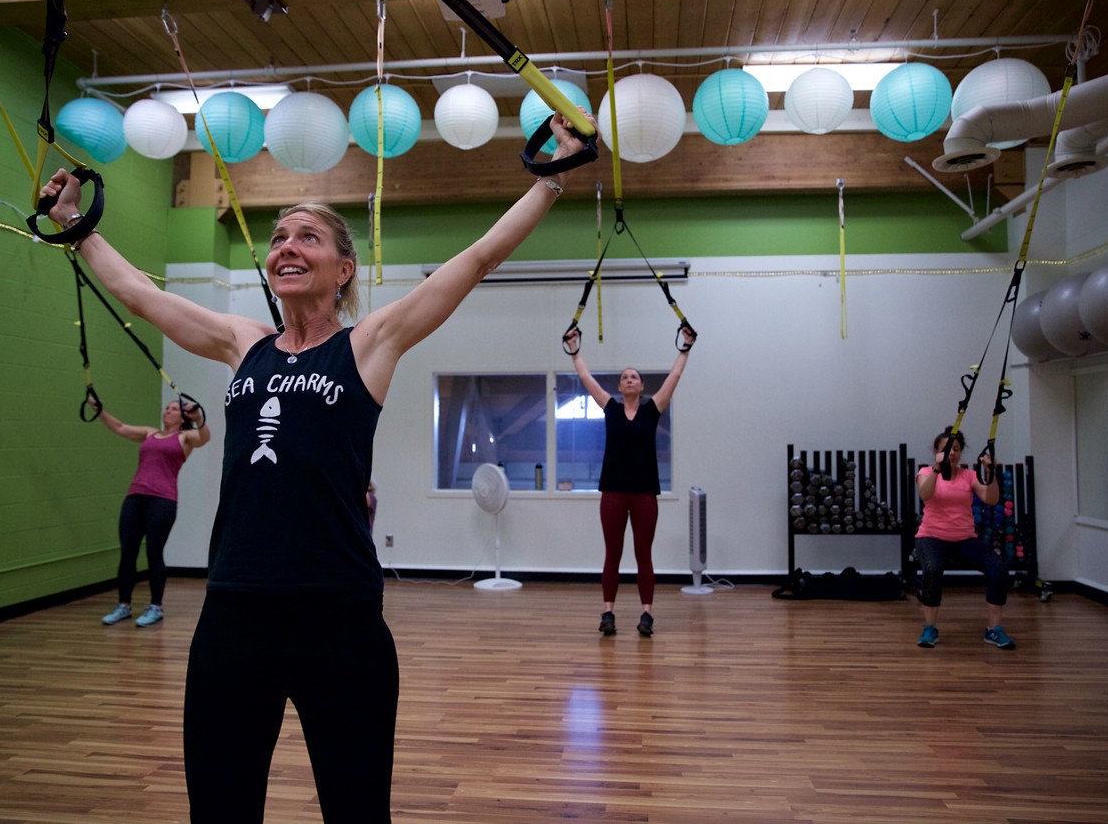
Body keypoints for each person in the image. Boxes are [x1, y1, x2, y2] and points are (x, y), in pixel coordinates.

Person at [39, 108, 592, 823]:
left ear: (344, 267)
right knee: (220, 807)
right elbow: (141, 295)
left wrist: (551, 182)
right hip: (235, 609)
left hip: (339, 616)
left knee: (357, 811)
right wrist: (77, 226)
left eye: (307, 236)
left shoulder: (369, 344)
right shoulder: (246, 343)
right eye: (277, 237)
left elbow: (478, 258)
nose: (285, 246)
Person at [564, 326, 695, 638]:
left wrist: (686, 347)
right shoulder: (610, 408)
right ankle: (607, 612)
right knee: (612, 553)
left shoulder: (653, 409)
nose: (629, 380)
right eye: (624, 378)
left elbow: (674, 378)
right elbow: (586, 379)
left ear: (642, 385)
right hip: (613, 492)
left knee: (643, 555)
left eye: (634, 377)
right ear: (620, 387)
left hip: (644, 493)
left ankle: (646, 614)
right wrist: (574, 349)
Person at [93, 397, 210, 627]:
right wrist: (100, 411)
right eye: (167, 407)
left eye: (174, 409)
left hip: (163, 500)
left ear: (182, 417)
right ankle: (123, 606)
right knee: (128, 553)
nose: (168, 411)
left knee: (154, 553)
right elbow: (120, 427)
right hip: (135, 497)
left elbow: (204, 438)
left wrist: (198, 419)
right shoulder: (149, 433)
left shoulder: (185, 437)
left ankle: (155, 607)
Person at [914, 427, 1015, 649]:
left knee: (998, 569)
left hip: (964, 538)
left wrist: (990, 474)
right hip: (931, 536)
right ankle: (930, 628)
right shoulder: (925, 472)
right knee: (932, 569)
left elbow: (991, 499)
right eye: (947, 449)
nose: (952, 453)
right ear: (936, 452)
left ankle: (994, 629)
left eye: (956, 449)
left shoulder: (969, 476)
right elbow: (925, 494)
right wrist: (937, 469)